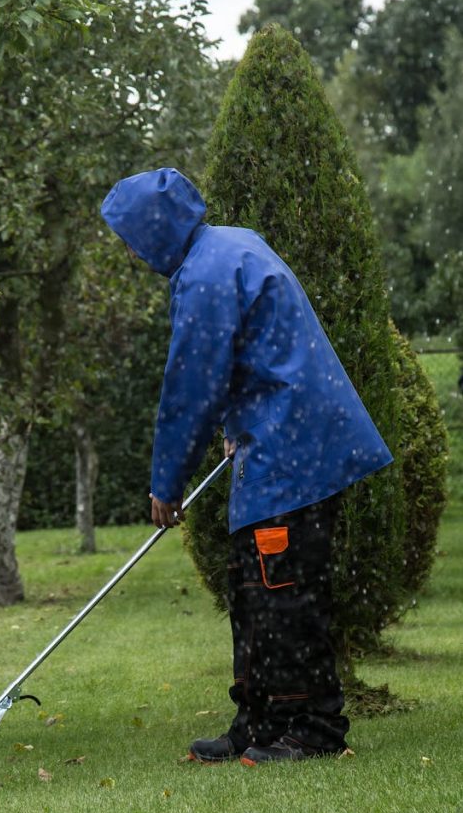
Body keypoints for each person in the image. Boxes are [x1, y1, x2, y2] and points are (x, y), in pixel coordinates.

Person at [100, 167, 393, 765]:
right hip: (281, 439)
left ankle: (311, 729)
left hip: (294, 449)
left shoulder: (207, 274)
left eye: (130, 238)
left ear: (154, 229)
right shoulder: (232, 244)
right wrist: (242, 423)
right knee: (253, 587)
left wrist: (166, 484)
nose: (130, 252)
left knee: (282, 592)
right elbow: (261, 350)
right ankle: (257, 723)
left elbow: (192, 387)